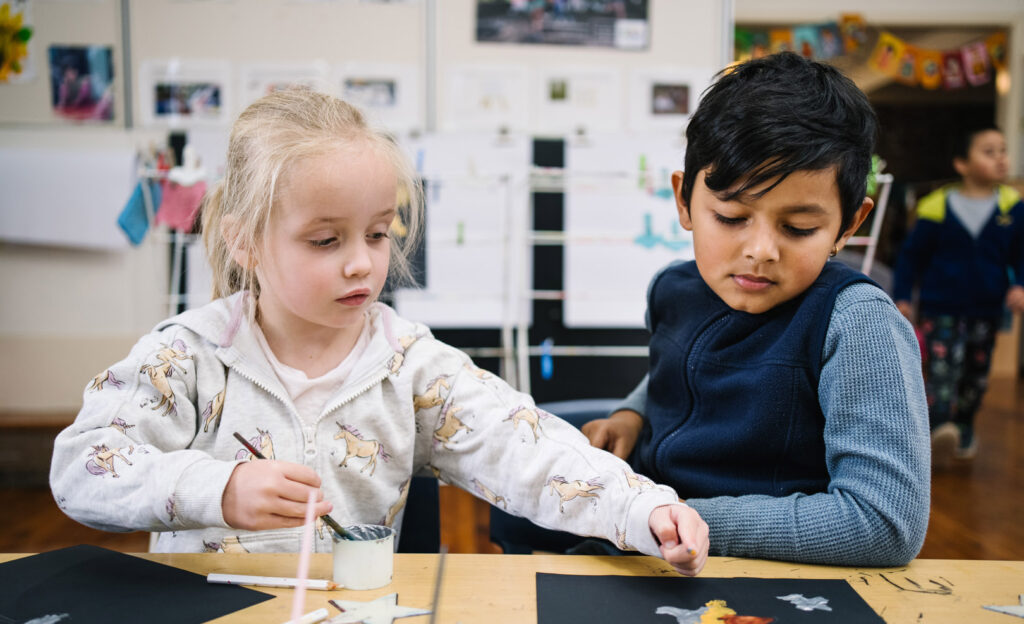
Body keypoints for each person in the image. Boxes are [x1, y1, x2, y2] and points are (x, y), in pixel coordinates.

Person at [49, 88, 707, 575]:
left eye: (376, 233)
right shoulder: (184, 355)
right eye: (325, 239)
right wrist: (214, 488)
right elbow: (80, 466)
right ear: (244, 241)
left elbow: (526, 448)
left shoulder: (411, 366)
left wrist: (641, 508)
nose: (363, 261)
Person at [582, 52, 930, 567]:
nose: (761, 249)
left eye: (798, 228)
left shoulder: (859, 325)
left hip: (764, 579)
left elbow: (883, 522)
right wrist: (634, 412)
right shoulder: (673, 288)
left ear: (849, 224)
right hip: (648, 547)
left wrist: (685, 519)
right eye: (730, 216)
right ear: (684, 202)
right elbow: (680, 368)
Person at [892, 126, 1024, 464]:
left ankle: (963, 427)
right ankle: (938, 431)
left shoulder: (1013, 207)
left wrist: (1019, 284)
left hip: (988, 309)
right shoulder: (936, 207)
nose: (1000, 158)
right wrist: (903, 296)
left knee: (976, 376)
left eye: (1003, 150)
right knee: (942, 373)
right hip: (941, 308)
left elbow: (1021, 255)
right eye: (989, 151)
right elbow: (911, 257)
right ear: (962, 164)